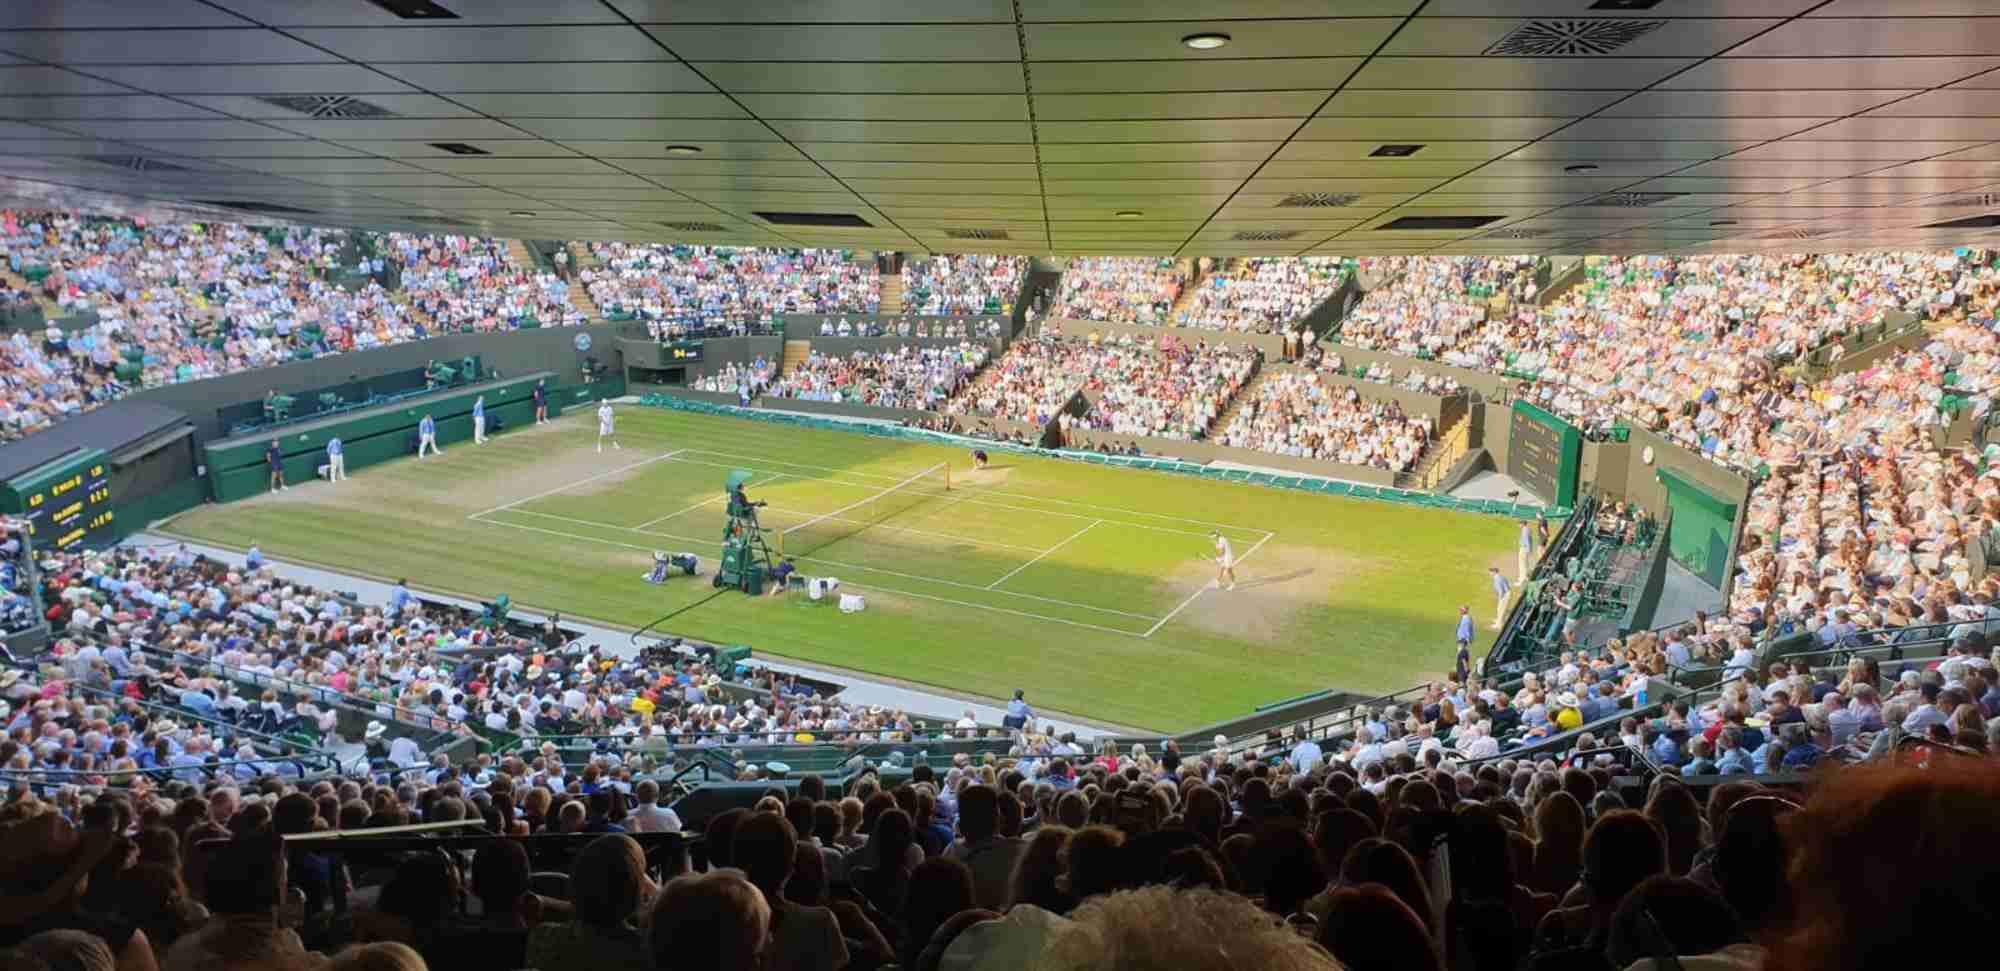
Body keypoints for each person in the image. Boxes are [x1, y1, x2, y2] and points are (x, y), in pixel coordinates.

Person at [1518, 519, 1535, 584]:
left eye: (1519, 524)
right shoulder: (1527, 529)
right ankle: (1524, 577)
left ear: (1522, 524)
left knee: (1523, 564)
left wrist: (1528, 549)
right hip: (1525, 548)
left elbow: (1527, 540)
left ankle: (1523, 579)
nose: (1519, 525)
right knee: (1524, 563)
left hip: (1524, 548)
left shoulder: (1525, 530)